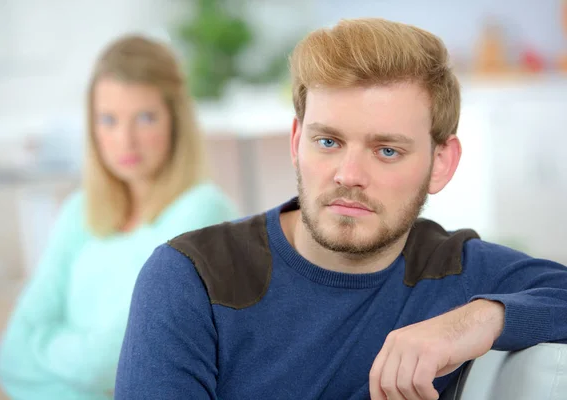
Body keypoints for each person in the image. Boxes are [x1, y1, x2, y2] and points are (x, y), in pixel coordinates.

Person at [114, 18, 567, 400]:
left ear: (441, 163)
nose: (348, 174)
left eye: (387, 150)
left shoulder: (457, 271)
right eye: (327, 142)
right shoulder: (192, 278)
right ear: (297, 142)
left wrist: (477, 320)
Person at [0, 34, 239, 400]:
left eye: (144, 118)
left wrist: (47, 349)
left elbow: (114, 358)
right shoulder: (79, 211)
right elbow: (12, 359)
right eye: (108, 119)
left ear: (175, 120)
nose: (125, 140)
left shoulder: (202, 211)